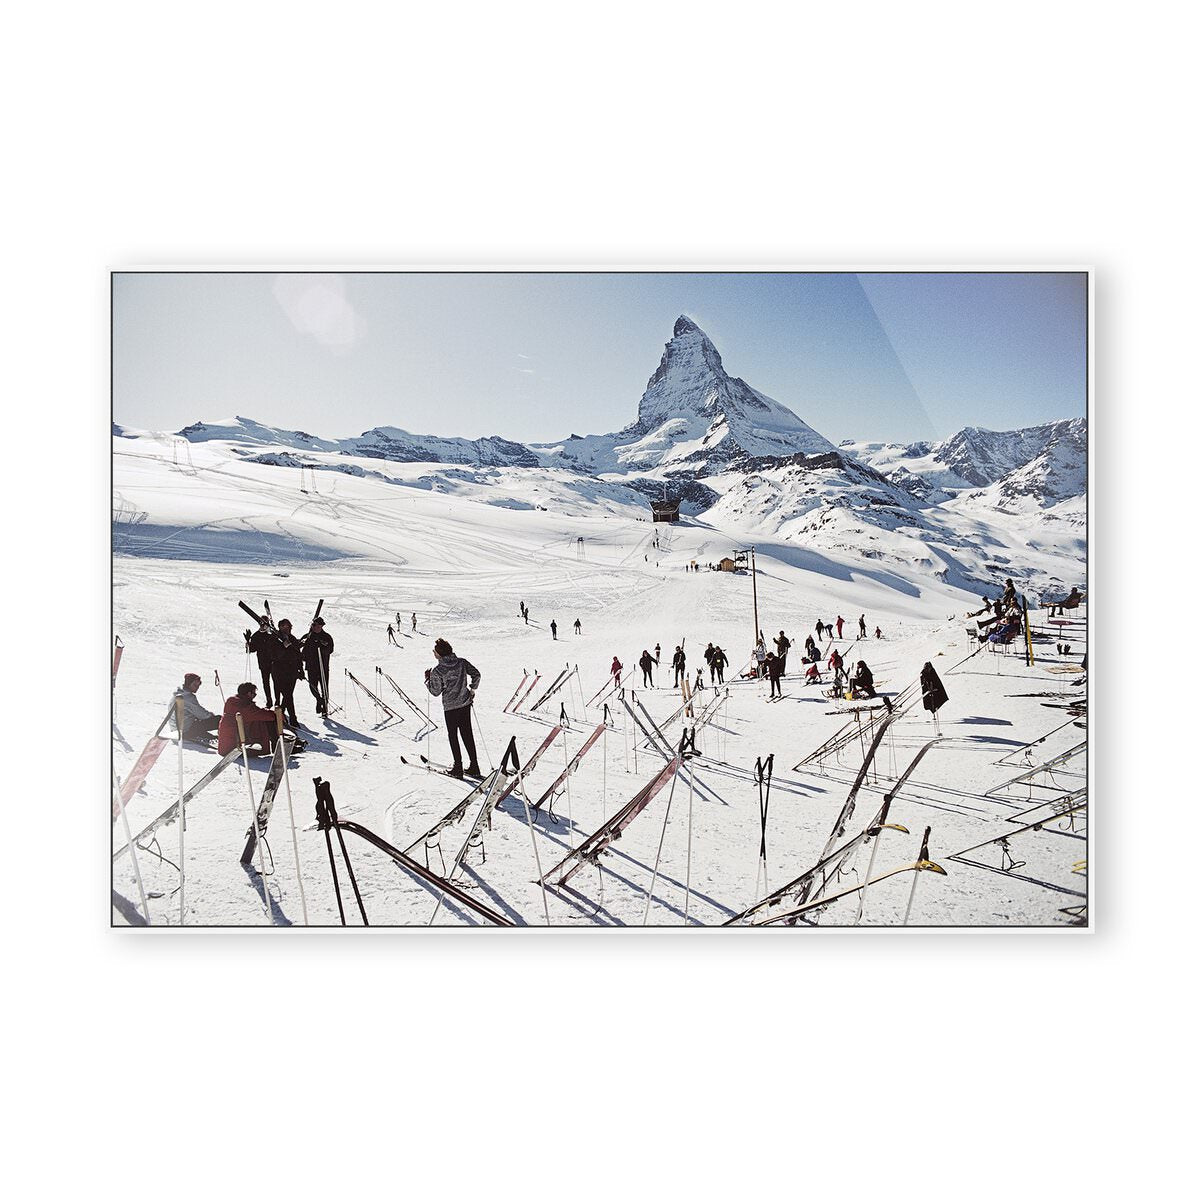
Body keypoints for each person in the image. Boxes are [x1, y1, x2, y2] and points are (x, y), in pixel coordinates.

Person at [424, 637, 481, 779]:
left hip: (450, 707)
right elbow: (476, 674)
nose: (433, 653)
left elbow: (435, 692)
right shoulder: (461, 662)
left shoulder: (438, 670)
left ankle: (458, 768)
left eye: (434, 651)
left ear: (439, 654)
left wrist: (427, 680)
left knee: (453, 736)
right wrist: (472, 690)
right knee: (467, 734)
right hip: (465, 703)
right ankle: (474, 766)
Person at [217, 682, 304, 756]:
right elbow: (262, 715)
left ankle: (278, 744)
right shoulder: (243, 705)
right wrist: (279, 716)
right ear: (248, 694)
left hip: (230, 743)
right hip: (232, 747)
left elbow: (257, 713)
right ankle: (278, 746)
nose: (254, 696)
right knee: (268, 719)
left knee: (264, 719)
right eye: (254, 694)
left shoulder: (234, 701)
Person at [270, 619, 304, 729]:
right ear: (280, 627)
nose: (287, 629)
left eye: (289, 627)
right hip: (279, 671)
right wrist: (283, 647)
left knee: (288, 695)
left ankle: (281, 715)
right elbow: (273, 656)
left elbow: (298, 656)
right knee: (287, 695)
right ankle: (292, 718)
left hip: (292, 672)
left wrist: (301, 670)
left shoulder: (293, 639)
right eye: (285, 627)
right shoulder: (274, 639)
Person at [170, 673, 220, 745]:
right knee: (218, 720)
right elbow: (202, 715)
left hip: (176, 729)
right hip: (184, 731)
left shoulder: (178, 693)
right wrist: (211, 716)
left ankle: (205, 735)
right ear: (189, 684)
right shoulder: (188, 697)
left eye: (199, 685)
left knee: (199, 723)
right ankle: (228, 738)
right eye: (195, 685)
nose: (197, 687)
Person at [302, 617, 335, 716]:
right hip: (311, 666)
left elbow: (330, 650)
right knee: (312, 686)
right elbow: (301, 647)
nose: (315, 627)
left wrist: (323, 646)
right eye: (314, 625)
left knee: (324, 687)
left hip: (323, 666)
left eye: (318, 626)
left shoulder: (327, 637)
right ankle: (319, 700)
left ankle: (324, 707)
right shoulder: (308, 636)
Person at [246, 617, 277, 706]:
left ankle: (277, 700)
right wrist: (248, 642)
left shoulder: (272, 635)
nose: (263, 626)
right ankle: (269, 699)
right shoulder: (256, 636)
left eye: (265, 624)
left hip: (274, 662)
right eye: (261, 624)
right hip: (263, 663)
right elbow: (251, 649)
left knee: (276, 682)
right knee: (266, 682)